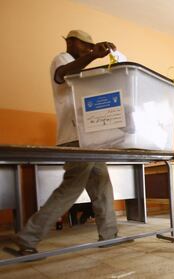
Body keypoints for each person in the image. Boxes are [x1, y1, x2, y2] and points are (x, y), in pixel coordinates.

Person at [4, 30, 124, 257]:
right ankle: (28, 236)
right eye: (85, 46)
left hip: (90, 138)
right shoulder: (62, 59)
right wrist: (93, 56)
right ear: (71, 42)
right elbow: (62, 74)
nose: (89, 49)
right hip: (75, 137)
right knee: (71, 188)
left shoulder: (81, 64)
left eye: (91, 46)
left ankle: (109, 236)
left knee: (102, 186)